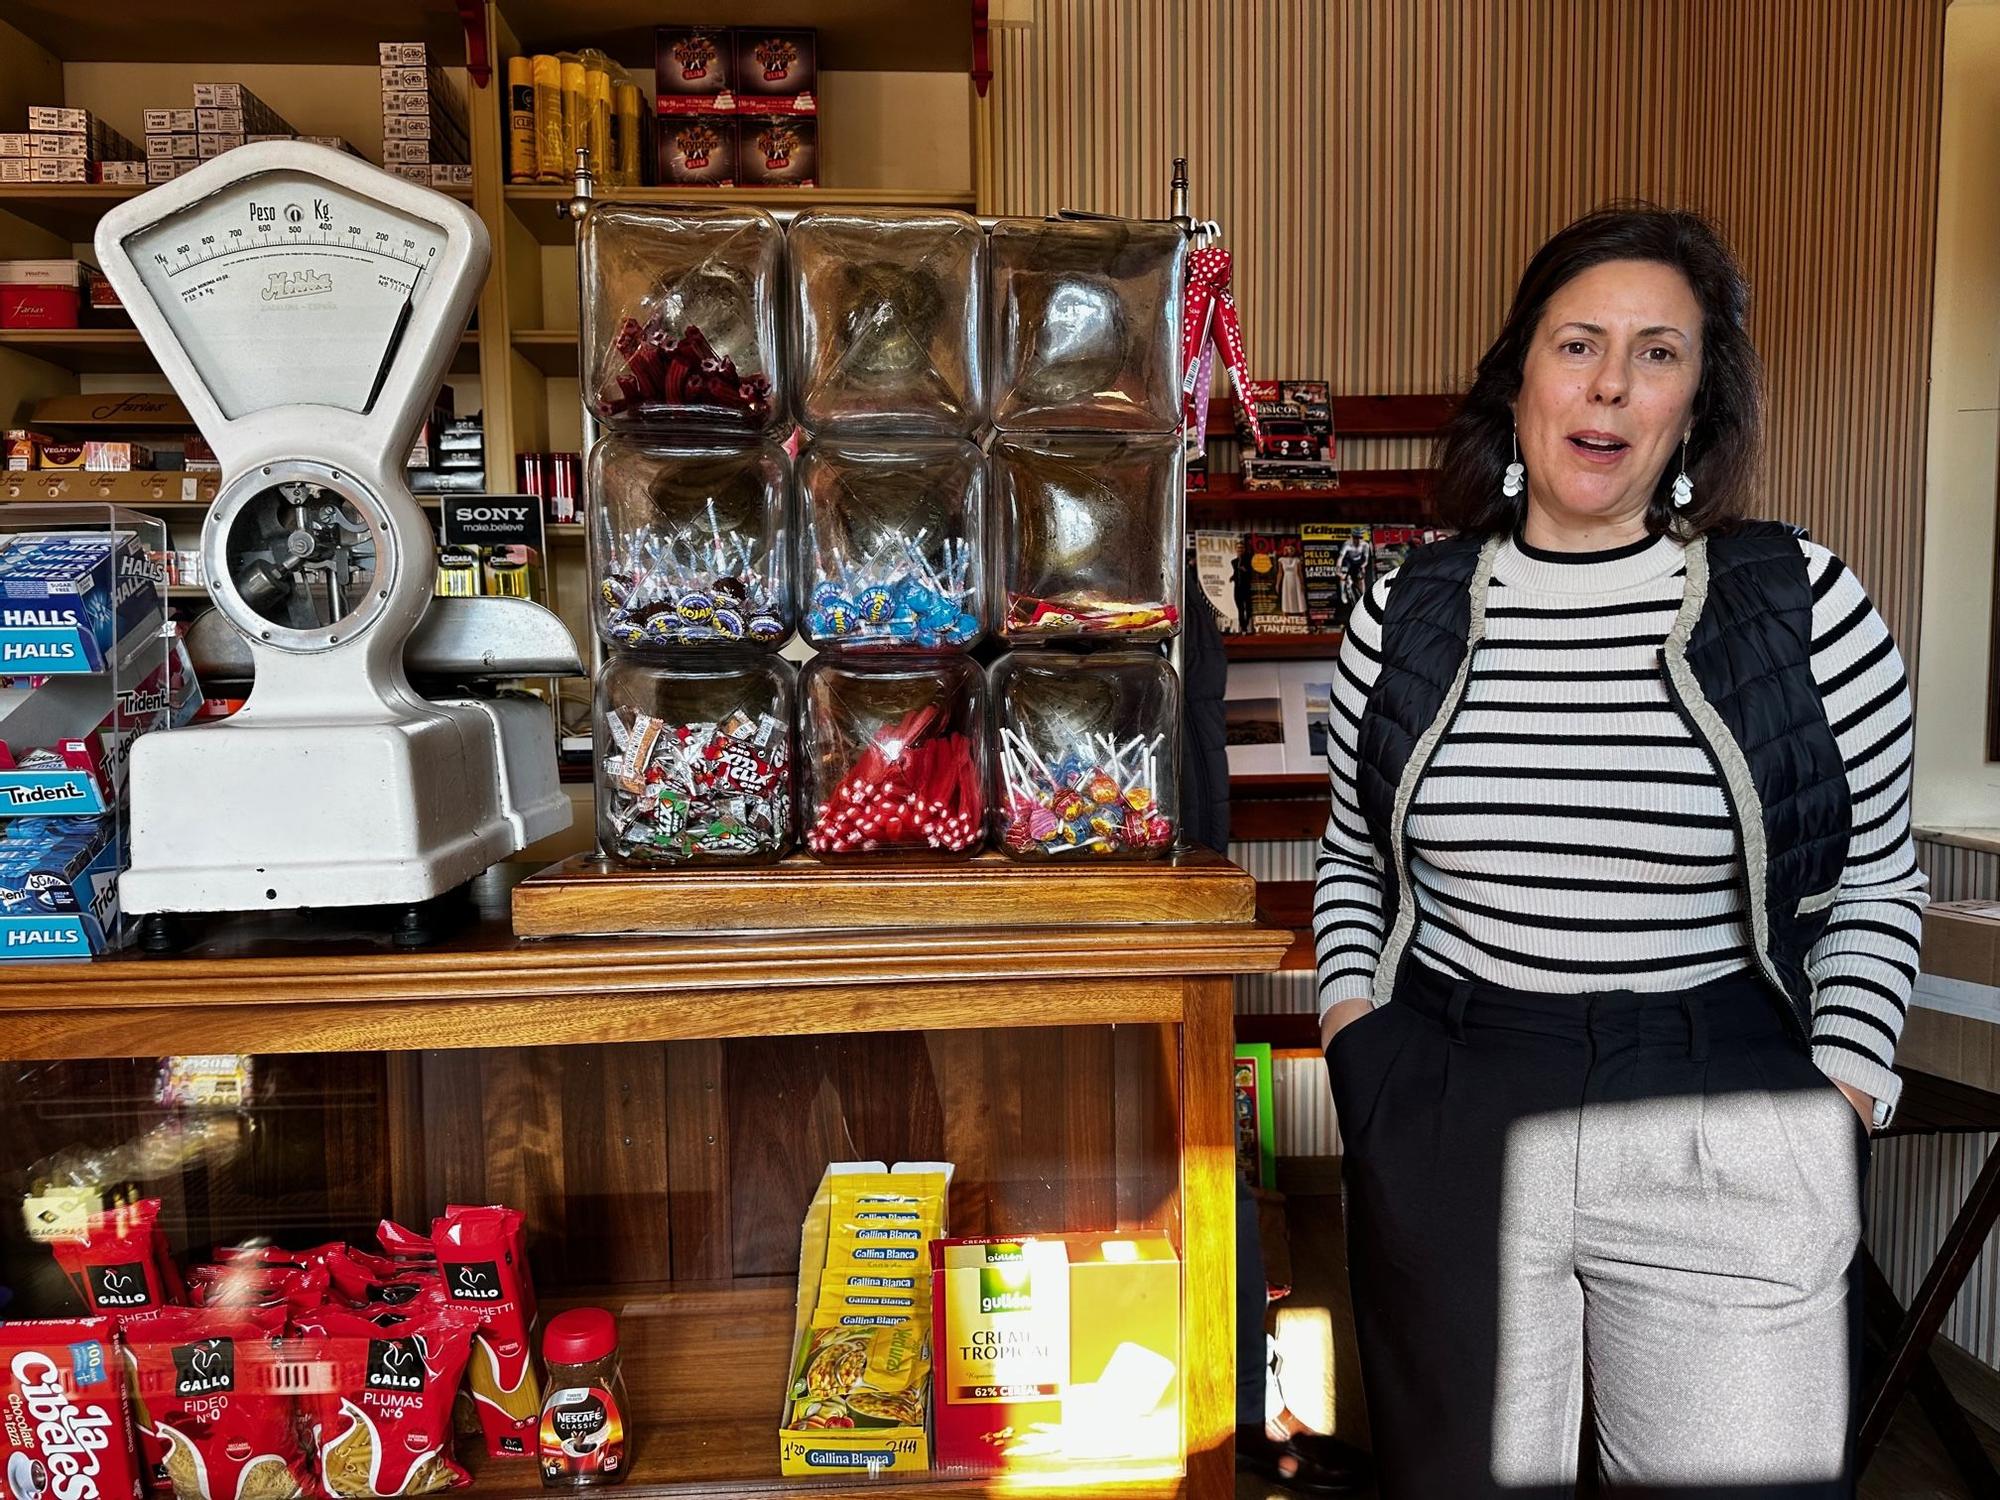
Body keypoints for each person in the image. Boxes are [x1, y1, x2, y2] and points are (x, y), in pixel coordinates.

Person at [1314, 204, 1926, 1498]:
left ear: (1697, 403)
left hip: (1727, 1098)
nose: (1609, 384)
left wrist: (1842, 1099)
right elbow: (1353, 861)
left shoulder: (1803, 603)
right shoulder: (1402, 611)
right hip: (1455, 1092)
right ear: (1521, 375)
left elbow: (1876, 877)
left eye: (1658, 353)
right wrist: (1356, 1032)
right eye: (1578, 342)